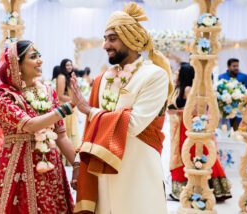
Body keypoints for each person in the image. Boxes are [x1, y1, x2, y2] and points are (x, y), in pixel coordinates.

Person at [70, 2, 173, 214]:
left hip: (138, 168)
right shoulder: (103, 78)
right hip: (102, 169)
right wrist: (80, 162)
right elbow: (90, 128)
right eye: (105, 38)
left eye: (112, 38)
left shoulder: (154, 75)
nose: (105, 45)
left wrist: (89, 110)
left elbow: (134, 125)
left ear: (131, 39)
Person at [0, 40, 77, 213]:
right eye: (33, 57)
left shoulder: (48, 92)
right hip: (18, 169)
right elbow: (29, 125)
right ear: (17, 64)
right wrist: (67, 107)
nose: (40, 60)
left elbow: (60, 134)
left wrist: (77, 165)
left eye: (40, 56)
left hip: (50, 169)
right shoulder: (2, 96)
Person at [168, 63, 232, 201]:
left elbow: (195, 110)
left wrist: (176, 112)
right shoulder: (179, 89)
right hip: (179, 127)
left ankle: (196, 188)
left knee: (187, 155)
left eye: (178, 71)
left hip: (187, 128)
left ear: (184, 74)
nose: (175, 74)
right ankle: (186, 188)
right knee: (183, 156)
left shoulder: (188, 89)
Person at [218, 58, 247, 130]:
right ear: (228, 67)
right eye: (234, 66)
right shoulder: (221, 77)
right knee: (225, 128)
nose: (236, 68)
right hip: (226, 107)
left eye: (237, 66)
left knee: (240, 128)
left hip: (240, 107)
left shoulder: (244, 76)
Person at [56, 59, 80, 149]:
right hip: (64, 107)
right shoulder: (61, 77)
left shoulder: (69, 77)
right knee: (65, 132)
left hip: (70, 105)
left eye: (70, 65)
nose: (69, 67)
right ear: (63, 66)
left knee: (71, 133)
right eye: (67, 65)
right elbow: (60, 96)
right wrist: (74, 100)